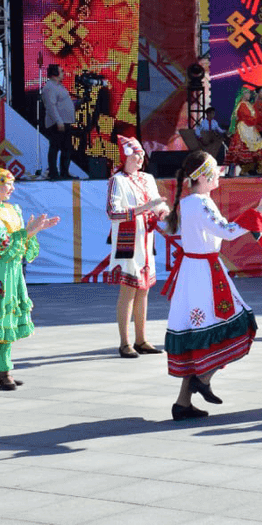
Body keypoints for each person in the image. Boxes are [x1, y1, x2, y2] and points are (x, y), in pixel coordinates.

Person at [163, 151, 262, 420]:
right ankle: (203, 377)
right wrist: (259, 210)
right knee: (239, 325)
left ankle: (183, 403)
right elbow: (225, 231)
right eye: (215, 168)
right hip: (205, 273)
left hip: (196, 271)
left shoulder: (190, 202)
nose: (220, 172)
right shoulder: (200, 203)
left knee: (198, 335)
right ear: (201, 176)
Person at [0, 167, 60, 390]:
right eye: (7, 183)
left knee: (4, 319)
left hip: (12, 270)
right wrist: (29, 232)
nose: (12, 188)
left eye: (12, 183)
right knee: (0, 319)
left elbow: (19, 244)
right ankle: (4, 372)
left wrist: (34, 231)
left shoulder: (13, 209)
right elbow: (1, 244)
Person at [107, 135, 169, 358]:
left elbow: (156, 204)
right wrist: (145, 208)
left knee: (144, 289)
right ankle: (125, 342)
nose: (139, 159)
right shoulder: (117, 180)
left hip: (146, 238)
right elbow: (113, 212)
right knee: (129, 290)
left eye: (142, 155)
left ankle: (141, 339)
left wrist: (161, 211)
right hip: (127, 239)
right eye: (135, 155)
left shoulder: (147, 178)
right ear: (124, 156)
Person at [41, 64, 77, 180]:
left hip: (64, 122)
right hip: (57, 123)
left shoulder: (59, 86)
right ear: (54, 74)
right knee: (55, 147)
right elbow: (51, 106)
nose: (63, 73)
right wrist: (58, 121)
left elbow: (63, 103)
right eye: (61, 71)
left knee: (66, 148)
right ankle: (53, 172)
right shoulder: (49, 87)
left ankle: (64, 172)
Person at [225, 87, 262, 175]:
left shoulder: (248, 104)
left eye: (249, 93)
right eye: (247, 93)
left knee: (254, 149)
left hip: (250, 128)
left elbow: (253, 117)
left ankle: (252, 170)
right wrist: (255, 120)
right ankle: (240, 171)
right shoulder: (242, 105)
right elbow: (246, 117)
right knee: (243, 149)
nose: (249, 95)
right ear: (243, 94)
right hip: (244, 129)